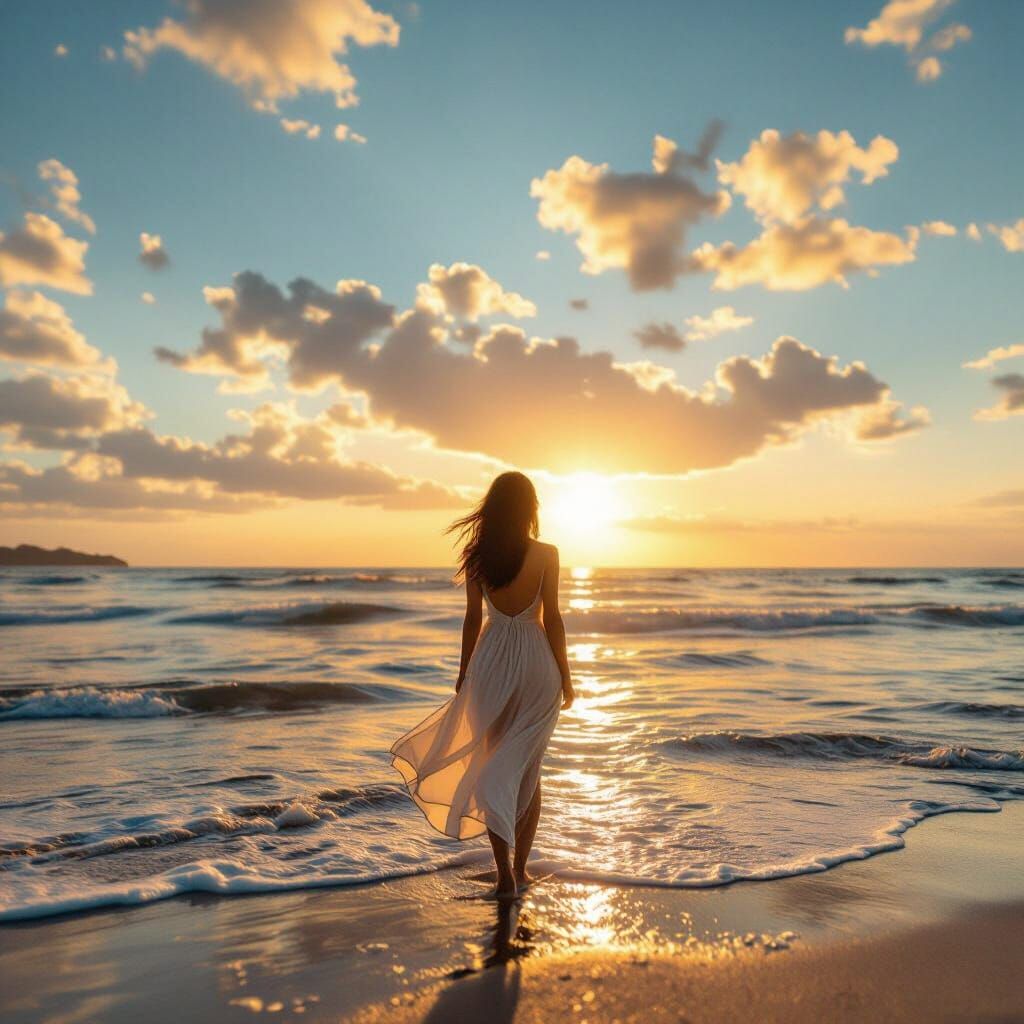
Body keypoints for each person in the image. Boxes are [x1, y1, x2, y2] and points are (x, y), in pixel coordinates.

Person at [391, 471, 574, 899]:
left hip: (490, 665)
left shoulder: (477, 557)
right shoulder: (547, 553)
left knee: (495, 766)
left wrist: (464, 672)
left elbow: (473, 618)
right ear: (530, 509)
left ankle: (504, 874)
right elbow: (554, 619)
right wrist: (565, 675)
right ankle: (521, 871)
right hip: (536, 668)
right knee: (528, 771)